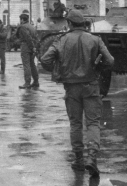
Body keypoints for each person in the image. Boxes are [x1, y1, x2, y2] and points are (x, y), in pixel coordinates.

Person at [40, 9, 114, 176]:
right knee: (93, 123)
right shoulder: (95, 40)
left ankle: (79, 159)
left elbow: (45, 59)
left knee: (76, 124)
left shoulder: (61, 40)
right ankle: (92, 158)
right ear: (84, 23)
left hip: (71, 87)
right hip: (91, 86)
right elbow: (110, 60)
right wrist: (97, 69)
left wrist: (59, 71)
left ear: (69, 24)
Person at [16, 14, 39, 89]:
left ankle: (27, 82)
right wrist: (34, 47)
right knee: (32, 65)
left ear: (22, 19)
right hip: (32, 47)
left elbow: (27, 38)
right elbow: (35, 37)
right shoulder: (32, 26)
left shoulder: (23, 27)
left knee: (26, 65)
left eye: (20, 19)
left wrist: (31, 47)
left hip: (26, 46)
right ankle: (36, 81)